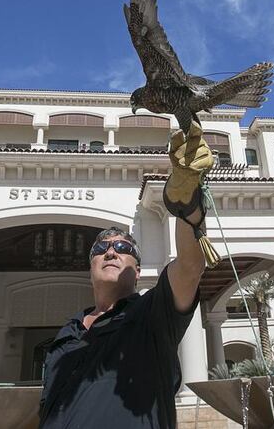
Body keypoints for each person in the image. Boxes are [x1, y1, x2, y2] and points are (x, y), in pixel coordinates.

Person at [38, 123, 214, 428]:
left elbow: (189, 266)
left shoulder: (152, 317)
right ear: (89, 268)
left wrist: (187, 202)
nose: (110, 252)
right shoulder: (65, 334)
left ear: (138, 270)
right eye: (100, 249)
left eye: (122, 247)